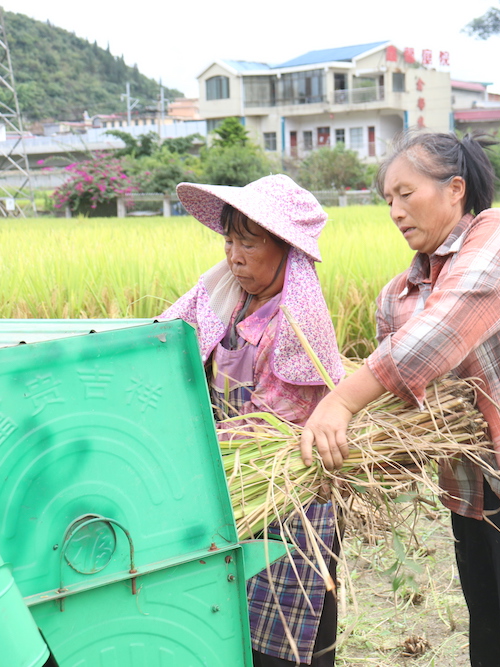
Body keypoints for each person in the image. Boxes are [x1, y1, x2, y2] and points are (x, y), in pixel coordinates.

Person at [298, 132, 500, 667]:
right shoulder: (396, 297)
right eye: (386, 199)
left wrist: (341, 403)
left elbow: (437, 336)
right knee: (491, 650)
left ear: (455, 188)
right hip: (471, 496)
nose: (393, 210)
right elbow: (410, 409)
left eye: (405, 193)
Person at [159, 174, 345, 667]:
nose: (233, 256)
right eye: (229, 239)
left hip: (286, 495)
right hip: (226, 482)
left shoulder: (298, 328)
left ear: (285, 250)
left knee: (285, 644)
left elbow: (267, 427)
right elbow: (163, 343)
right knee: (228, 629)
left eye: (249, 242)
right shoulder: (227, 298)